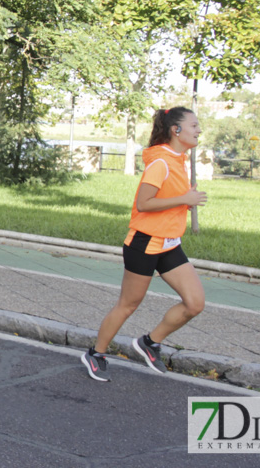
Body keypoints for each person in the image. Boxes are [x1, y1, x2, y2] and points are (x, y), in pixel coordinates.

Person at [81, 107, 207, 382]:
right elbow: (143, 204)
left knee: (195, 303)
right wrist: (185, 199)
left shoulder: (178, 160)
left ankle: (150, 342)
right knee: (128, 304)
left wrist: (184, 198)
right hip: (145, 242)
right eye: (194, 125)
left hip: (169, 243)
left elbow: (171, 199)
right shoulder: (160, 163)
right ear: (176, 130)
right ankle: (96, 353)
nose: (199, 130)